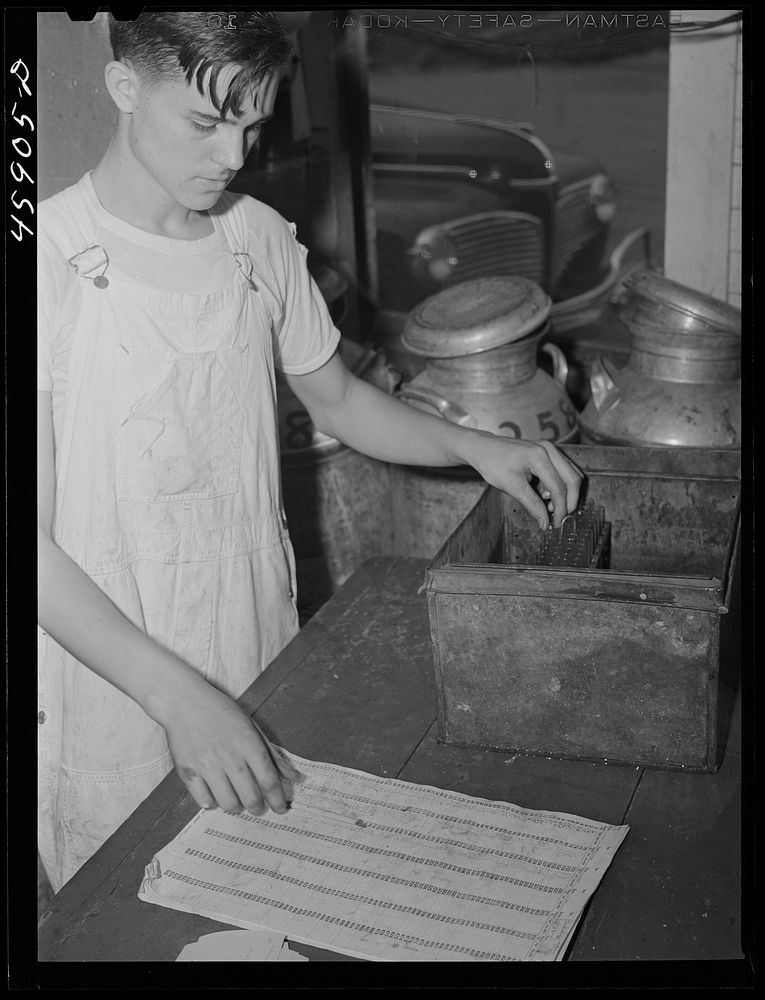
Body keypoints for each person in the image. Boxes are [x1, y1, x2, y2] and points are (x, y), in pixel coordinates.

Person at [37, 10, 582, 893]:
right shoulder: (48, 262)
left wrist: (477, 447)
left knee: (261, 892)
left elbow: (336, 396)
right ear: (124, 88)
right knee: (127, 903)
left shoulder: (254, 241)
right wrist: (178, 700)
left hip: (250, 621)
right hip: (111, 656)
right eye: (207, 123)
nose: (234, 156)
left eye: (252, 124)